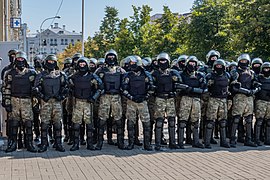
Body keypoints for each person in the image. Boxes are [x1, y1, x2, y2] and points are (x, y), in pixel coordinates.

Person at [2, 51, 37, 152]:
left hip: (27, 101)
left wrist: (35, 104)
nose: (20, 61)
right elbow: (6, 88)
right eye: (18, 59)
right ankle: (13, 144)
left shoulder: (32, 73)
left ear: (25, 60)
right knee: (14, 124)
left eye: (22, 59)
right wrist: (7, 102)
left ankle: (29, 144)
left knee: (29, 124)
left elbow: (35, 90)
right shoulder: (9, 73)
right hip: (14, 101)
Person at [33, 54, 68, 152]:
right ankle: (44, 144)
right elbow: (35, 89)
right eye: (49, 62)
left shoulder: (60, 74)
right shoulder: (41, 75)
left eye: (53, 62)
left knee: (57, 124)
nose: (51, 64)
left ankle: (58, 144)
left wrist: (61, 97)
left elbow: (66, 88)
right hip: (45, 103)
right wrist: (43, 97)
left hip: (57, 102)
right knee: (44, 124)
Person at [68, 57, 103, 151]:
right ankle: (76, 144)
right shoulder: (74, 76)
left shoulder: (92, 76)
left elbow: (100, 88)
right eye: (80, 64)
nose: (82, 66)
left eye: (84, 64)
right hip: (78, 102)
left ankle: (90, 144)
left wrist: (93, 97)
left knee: (90, 125)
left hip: (88, 103)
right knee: (76, 125)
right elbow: (67, 85)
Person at [95, 49, 126, 150]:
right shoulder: (100, 70)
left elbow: (126, 81)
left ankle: (120, 142)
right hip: (105, 97)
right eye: (109, 57)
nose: (111, 59)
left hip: (116, 97)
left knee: (118, 120)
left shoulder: (120, 70)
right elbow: (94, 80)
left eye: (113, 57)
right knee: (101, 120)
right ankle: (99, 143)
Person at [122, 56, 154, 150]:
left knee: (146, 123)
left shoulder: (146, 74)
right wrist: (131, 97)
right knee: (131, 123)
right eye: (130, 63)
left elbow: (151, 88)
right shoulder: (127, 75)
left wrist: (145, 97)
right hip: (131, 102)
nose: (132, 65)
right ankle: (131, 143)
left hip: (143, 102)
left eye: (133, 63)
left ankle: (147, 144)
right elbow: (123, 89)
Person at [151, 52, 181, 150]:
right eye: (161, 61)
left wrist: (175, 92)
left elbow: (179, 85)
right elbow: (150, 86)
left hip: (170, 99)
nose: (163, 63)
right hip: (159, 99)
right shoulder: (154, 73)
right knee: (159, 121)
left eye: (164, 61)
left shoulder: (173, 73)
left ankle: (172, 142)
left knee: (172, 121)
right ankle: (158, 143)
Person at [230, 53, 260, 147]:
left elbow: (256, 83)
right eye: (242, 61)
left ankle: (248, 139)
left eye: (245, 61)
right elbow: (234, 86)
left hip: (250, 98)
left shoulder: (251, 72)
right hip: (239, 97)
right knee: (236, 118)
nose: (244, 62)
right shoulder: (235, 72)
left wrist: (255, 89)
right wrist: (246, 91)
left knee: (249, 119)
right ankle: (233, 140)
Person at [178, 56, 206, 149]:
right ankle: (180, 142)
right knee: (182, 121)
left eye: (194, 63)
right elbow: (178, 86)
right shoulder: (181, 74)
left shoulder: (200, 75)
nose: (192, 65)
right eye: (190, 63)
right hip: (185, 99)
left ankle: (196, 141)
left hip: (196, 100)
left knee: (195, 121)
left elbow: (204, 89)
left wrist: (191, 89)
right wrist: (185, 88)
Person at [205, 59, 231, 148]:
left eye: (221, 66)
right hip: (213, 100)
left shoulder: (227, 75)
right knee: (210, 122)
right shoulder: (210, 76)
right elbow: (205, 87)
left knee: (223, 122)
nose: (219, 67)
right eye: (217, 66)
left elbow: (230, 87)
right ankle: (207, 142)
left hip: (223, 100)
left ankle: (223, 141)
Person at [254, 62, 269, 145]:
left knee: (268, 122)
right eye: (265, 69)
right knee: (259, 121)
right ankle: (257, 139)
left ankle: (268, 139)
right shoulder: (258, 77)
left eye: (268, 68)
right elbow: (255, 86)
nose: (266, 70)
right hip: (260, 101)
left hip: (269, 102)